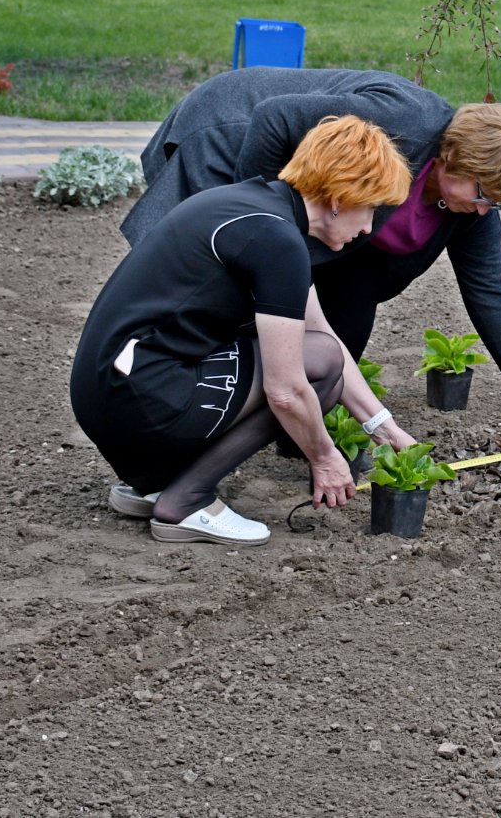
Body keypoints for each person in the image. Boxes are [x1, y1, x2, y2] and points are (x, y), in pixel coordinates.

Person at [121, 68, 501, 450]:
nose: (485, 209)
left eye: (496, 204)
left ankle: (280, 429)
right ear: (455, 155)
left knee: (319, 319)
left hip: (282, 185)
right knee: (218, 293)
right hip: (226, 135)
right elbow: (274, 117)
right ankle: (165, 424)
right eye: (484, 195)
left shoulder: (470, 210)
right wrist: (256, 220)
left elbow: (490, 290)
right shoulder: (407, 121)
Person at [71, 115, 417, 545]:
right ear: (340, 198)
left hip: (106, 389)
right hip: (137, 396)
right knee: (316, 366)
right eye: (371, 209)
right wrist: (325, 456)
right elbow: (288, 388)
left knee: (315, 351)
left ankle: (153, 484)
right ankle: (187, 501)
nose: (368, 227)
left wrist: (383, 426)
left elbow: (318, 329)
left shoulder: (256, 208)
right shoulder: (279, 243)